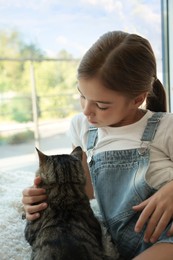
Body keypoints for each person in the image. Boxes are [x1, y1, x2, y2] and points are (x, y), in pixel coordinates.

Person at [22, 31, 173, 259]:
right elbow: (85, 192)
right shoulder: (82, 128)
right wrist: (39, 200)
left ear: (137, 99)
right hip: (126, 243)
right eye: (82, 96)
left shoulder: (165, 126)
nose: (86, 111)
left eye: (101, 105)